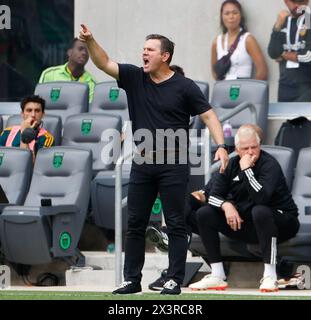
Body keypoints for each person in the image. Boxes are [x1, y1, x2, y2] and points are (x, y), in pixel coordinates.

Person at [79, 24, 229, 295]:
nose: (143, 53)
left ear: (165, 56)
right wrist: (91, 41)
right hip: (142, 162)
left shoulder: (184, 86)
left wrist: (221, 146)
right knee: (135, 222)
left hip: (174, 162)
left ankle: (174, 279)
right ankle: (131, 279)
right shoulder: (135, 77)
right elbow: (104, 63)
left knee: (175, 222)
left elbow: (208, 115)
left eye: (150, 50)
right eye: (143, 49)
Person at [187, 125, 299, 292]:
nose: (250, 152)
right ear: (237, 150)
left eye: (254, 147)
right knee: (204, 213)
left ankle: (270, 275)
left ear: (259, 146)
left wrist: (247, 169)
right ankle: (217, 274)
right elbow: (213, 196)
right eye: (245, 148)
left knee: (260, 211)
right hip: (247, 223)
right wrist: (226, 206)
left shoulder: (269, 164)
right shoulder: (231, 165)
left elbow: (262, 198)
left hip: (282, 221)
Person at [211, 0, 268, 80]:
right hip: (222, 89)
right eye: (227, 13)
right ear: (222, 17)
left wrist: (250, 90)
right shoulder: (217, 41)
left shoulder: (248, 39)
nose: (231, 17)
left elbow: (262, 71)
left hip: (242, 88)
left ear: (240, 16)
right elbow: (214, 71)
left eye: (235, 13)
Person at [268, 0, 311, 102]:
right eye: (295, 1)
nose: (298, 6)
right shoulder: (282, 21)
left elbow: (308, 57)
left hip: (306, 86)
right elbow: (273, 52)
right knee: (285, 117)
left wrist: (283, 54)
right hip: (284, 86)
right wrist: (277, 25)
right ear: (286, 1)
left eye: (302, 2)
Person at [38, 38, 97, 102]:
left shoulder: (92, 83)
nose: (84, 53)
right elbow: (38, 104)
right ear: (69, 52)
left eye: (87, 50)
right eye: (80, 49)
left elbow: (89, 110)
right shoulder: (50, 74)